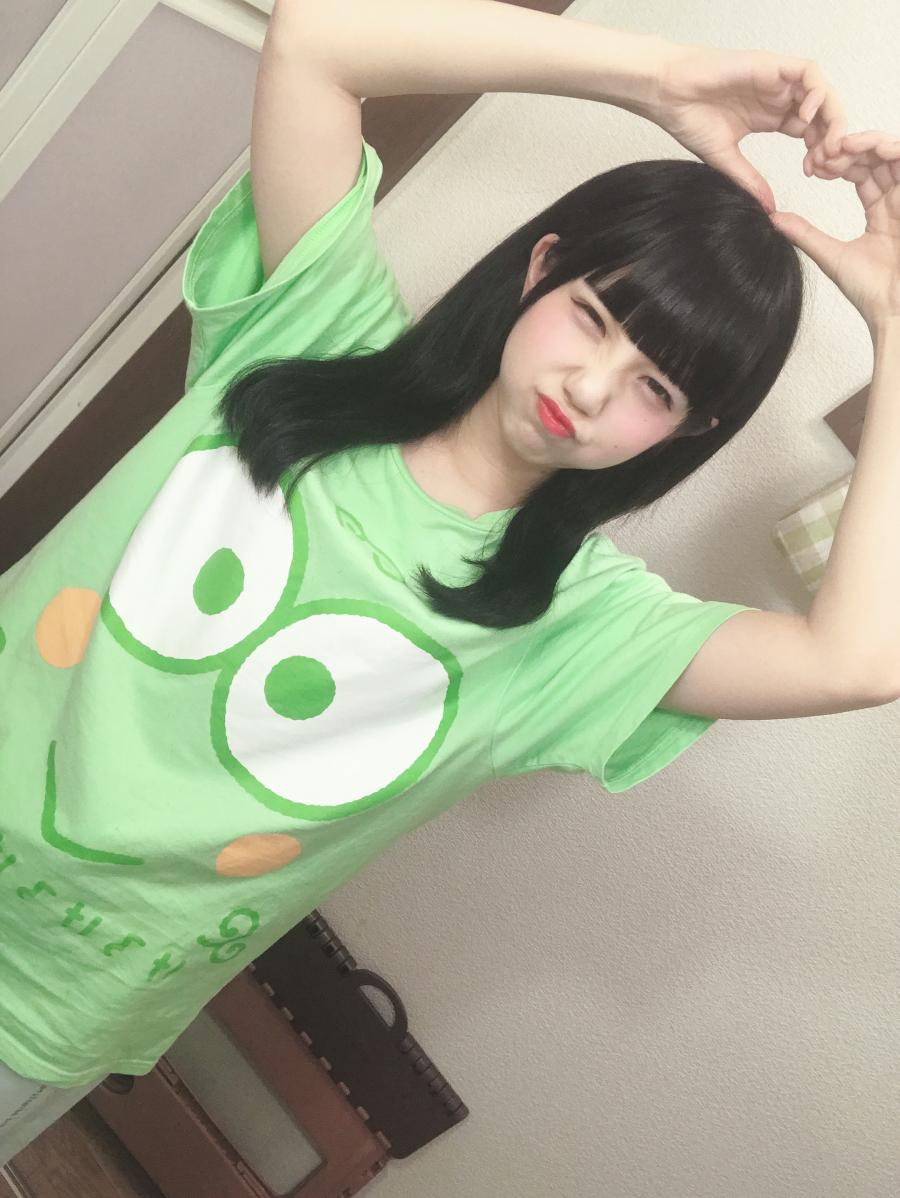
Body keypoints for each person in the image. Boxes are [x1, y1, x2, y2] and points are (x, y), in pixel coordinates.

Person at [1, 0, 898, 1167]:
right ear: (541, 269)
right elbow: (318, 41)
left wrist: (896, 324)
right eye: (591, 318)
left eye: (656, 389)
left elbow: (856, 659)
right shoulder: (314, 329)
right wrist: (663, 76)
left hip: (47, 998)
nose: (590, 387)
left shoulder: (574, 628)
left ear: (688, 432)